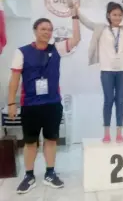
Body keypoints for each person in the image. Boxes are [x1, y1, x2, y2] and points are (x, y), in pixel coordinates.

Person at [8, 11, 80, 194]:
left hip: (52, 104)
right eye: (43, 29)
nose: (47, 32)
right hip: (30, 105)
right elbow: (14, 80)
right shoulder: (22, 52)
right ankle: (29, 175)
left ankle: (50, 173)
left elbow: (76, 39)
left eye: (49, 29)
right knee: (31, 142)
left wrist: (75, 17)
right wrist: (11, 104)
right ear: (35, 31)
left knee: (51, 140)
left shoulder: (56, 49)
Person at [71, 0, 123, 143]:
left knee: (120, 100)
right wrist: (76, 10)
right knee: (108, 100)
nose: (117, 17)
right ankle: (106, 132)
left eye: (120, 15)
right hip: (107, 70)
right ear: (108, 15)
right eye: (114, 14)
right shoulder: (101, 28)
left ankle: (119, 132)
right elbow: (86, 22)